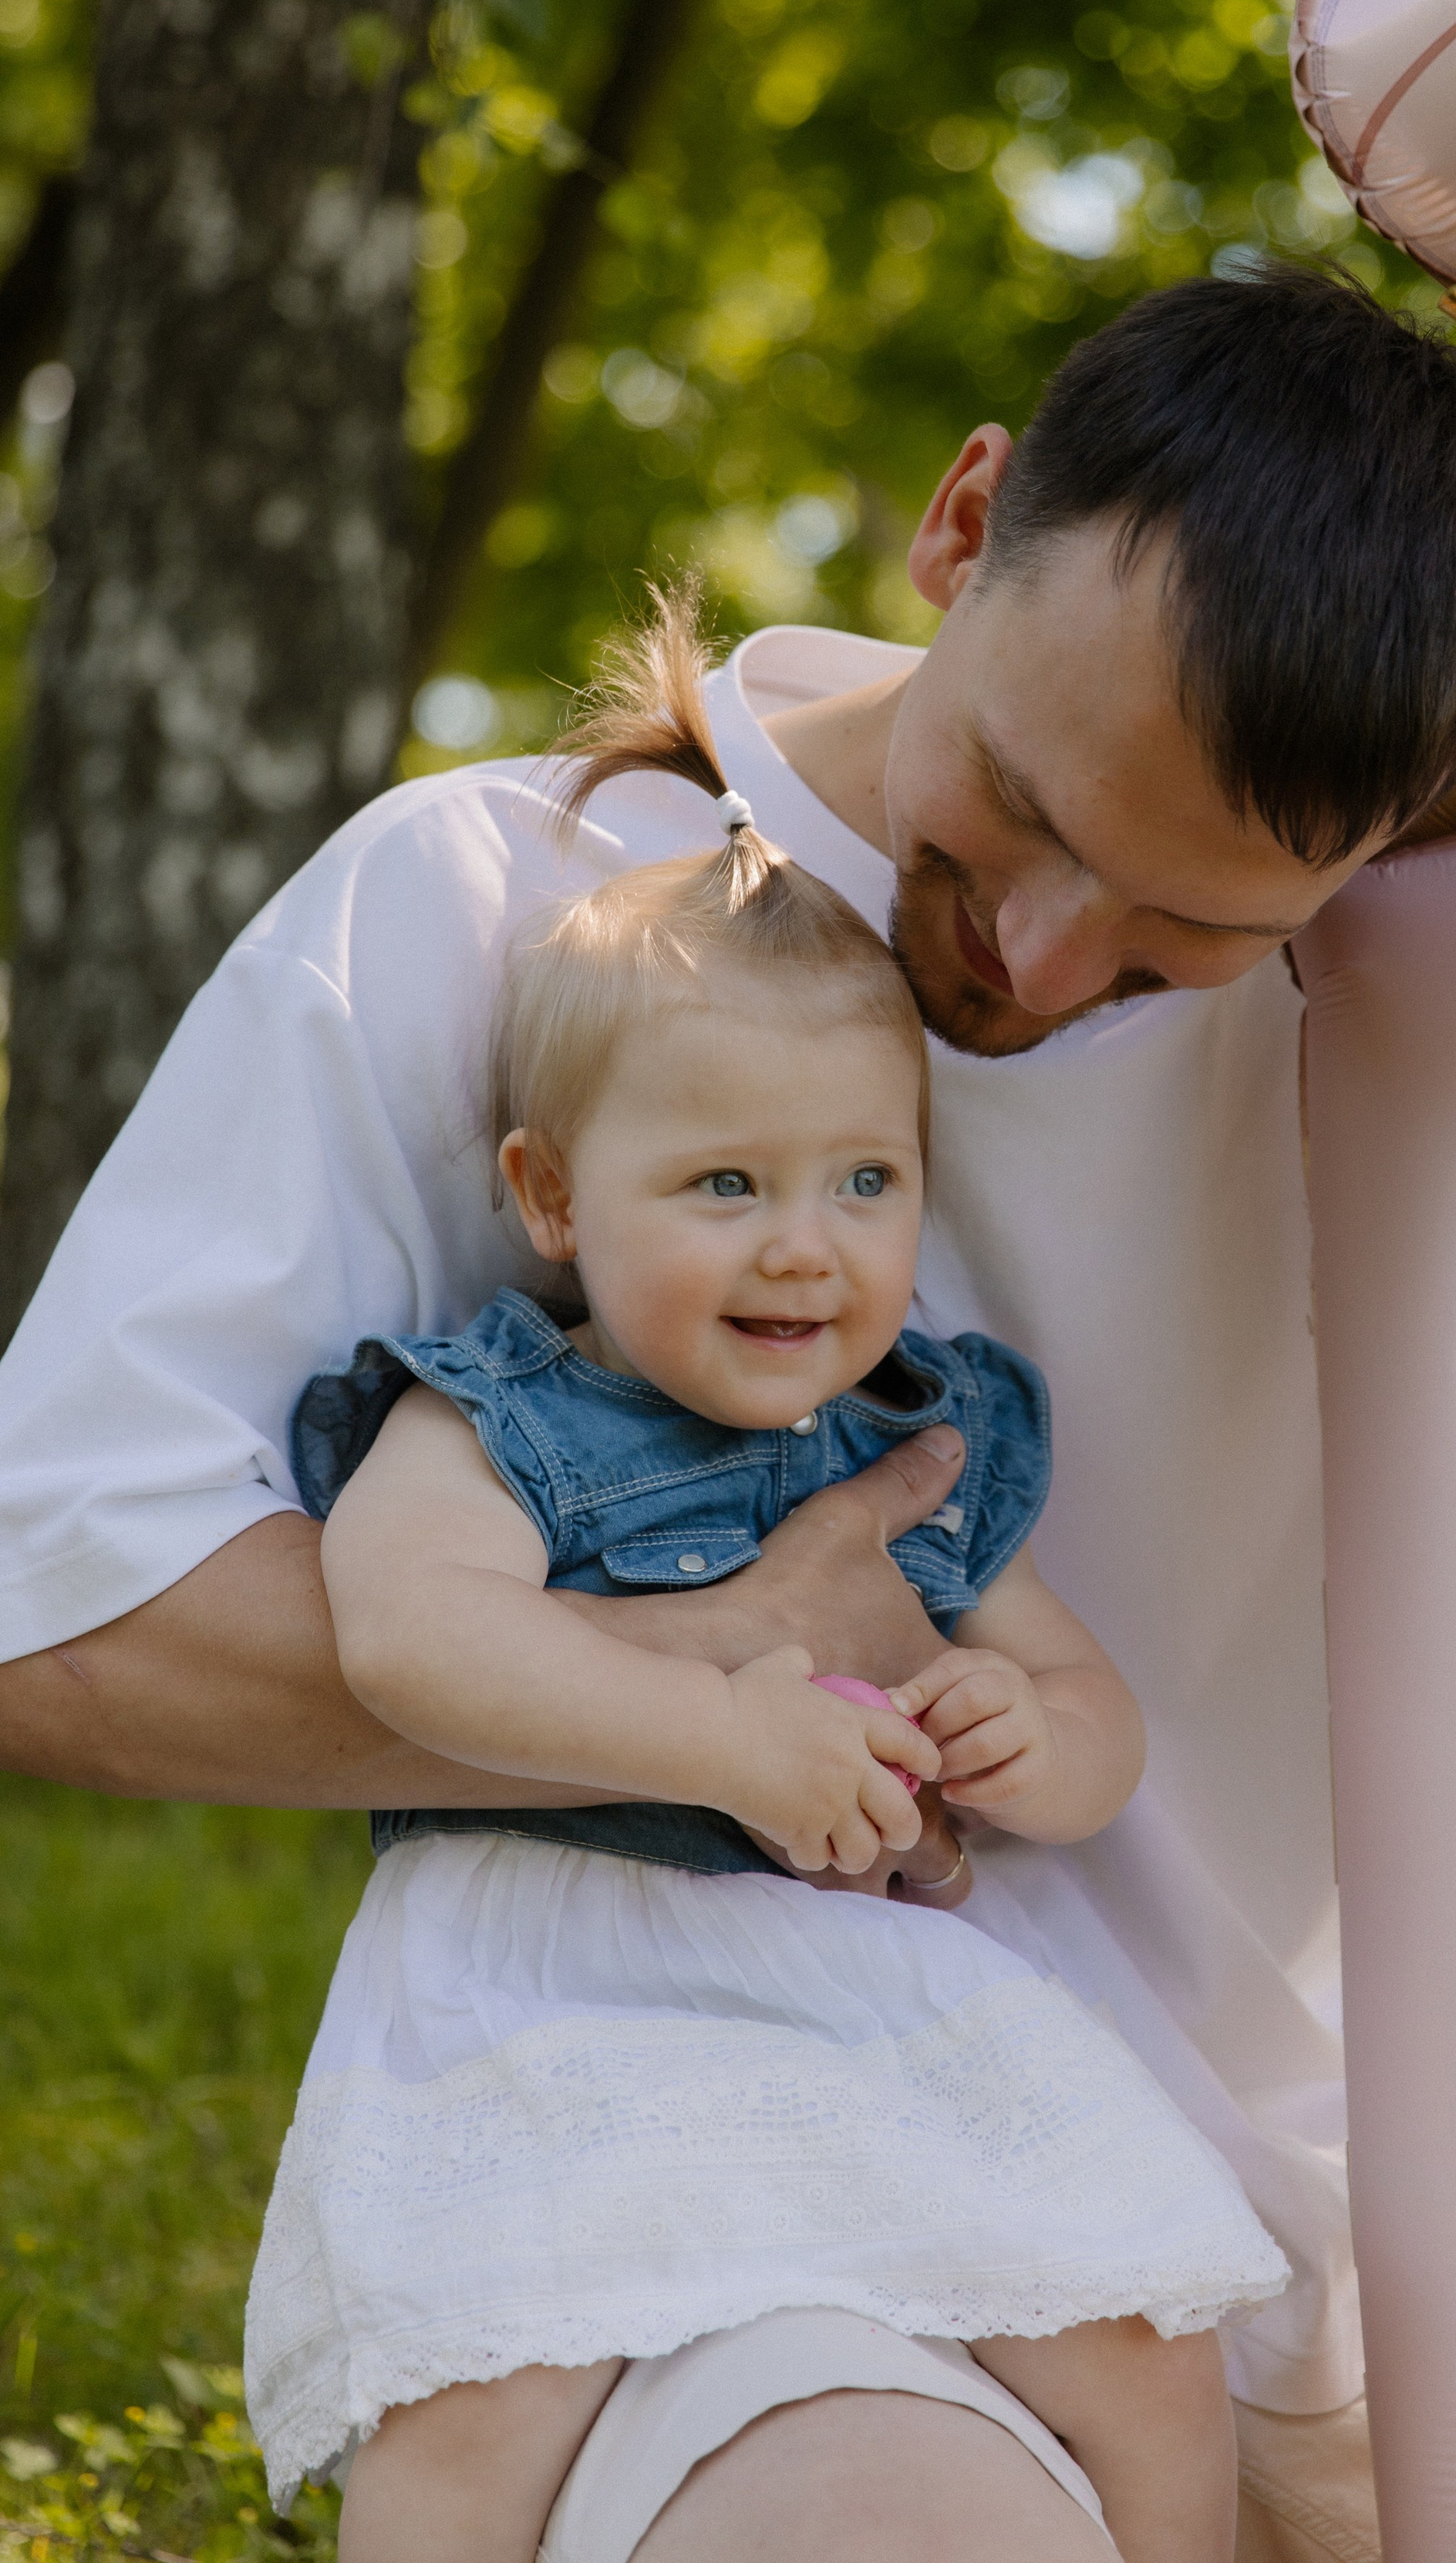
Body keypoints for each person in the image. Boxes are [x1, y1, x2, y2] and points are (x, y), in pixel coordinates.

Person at [0, 264, 1456, 2555]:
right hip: (729, 2167)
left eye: (1179, 924)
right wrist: (722, 1666)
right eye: (1016, 809)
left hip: (1303, 2229)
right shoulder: (501, 909)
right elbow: (65, 1611)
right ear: (962, 518)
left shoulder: (1454, 1040)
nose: (1034, 960)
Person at [246, 631, 1289, 2560]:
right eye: (722, 1186)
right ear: (554, 1200)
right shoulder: (505, 1417)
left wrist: (1025, 1739)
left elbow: (1084, 1702)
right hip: (562, 1985)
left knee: (1143, 2336)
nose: (804, 1249)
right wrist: (714, 1725)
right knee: (480, 2402)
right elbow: (403, 1631)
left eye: (862, 1185)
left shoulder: (924, 1432)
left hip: (868, 1997)